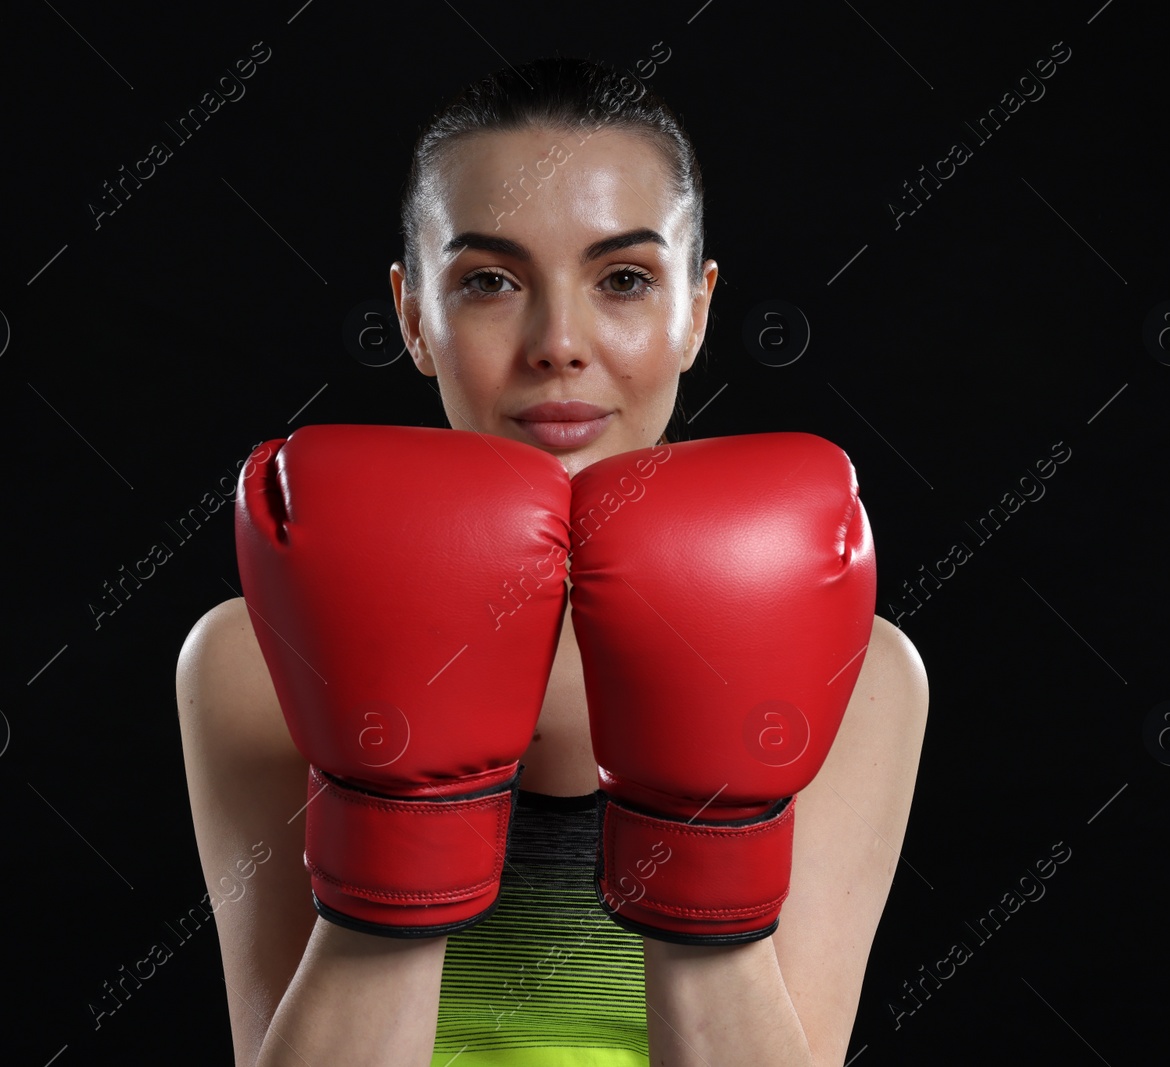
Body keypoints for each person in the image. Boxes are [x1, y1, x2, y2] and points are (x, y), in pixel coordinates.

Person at [176, 56, 929, 1066]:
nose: (558, 343)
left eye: (622, 279)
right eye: (489, 281)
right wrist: (400, 819)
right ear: (412, 317)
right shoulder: (254, 656)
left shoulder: (857, 668)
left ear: (696, 310)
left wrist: (704, 835)